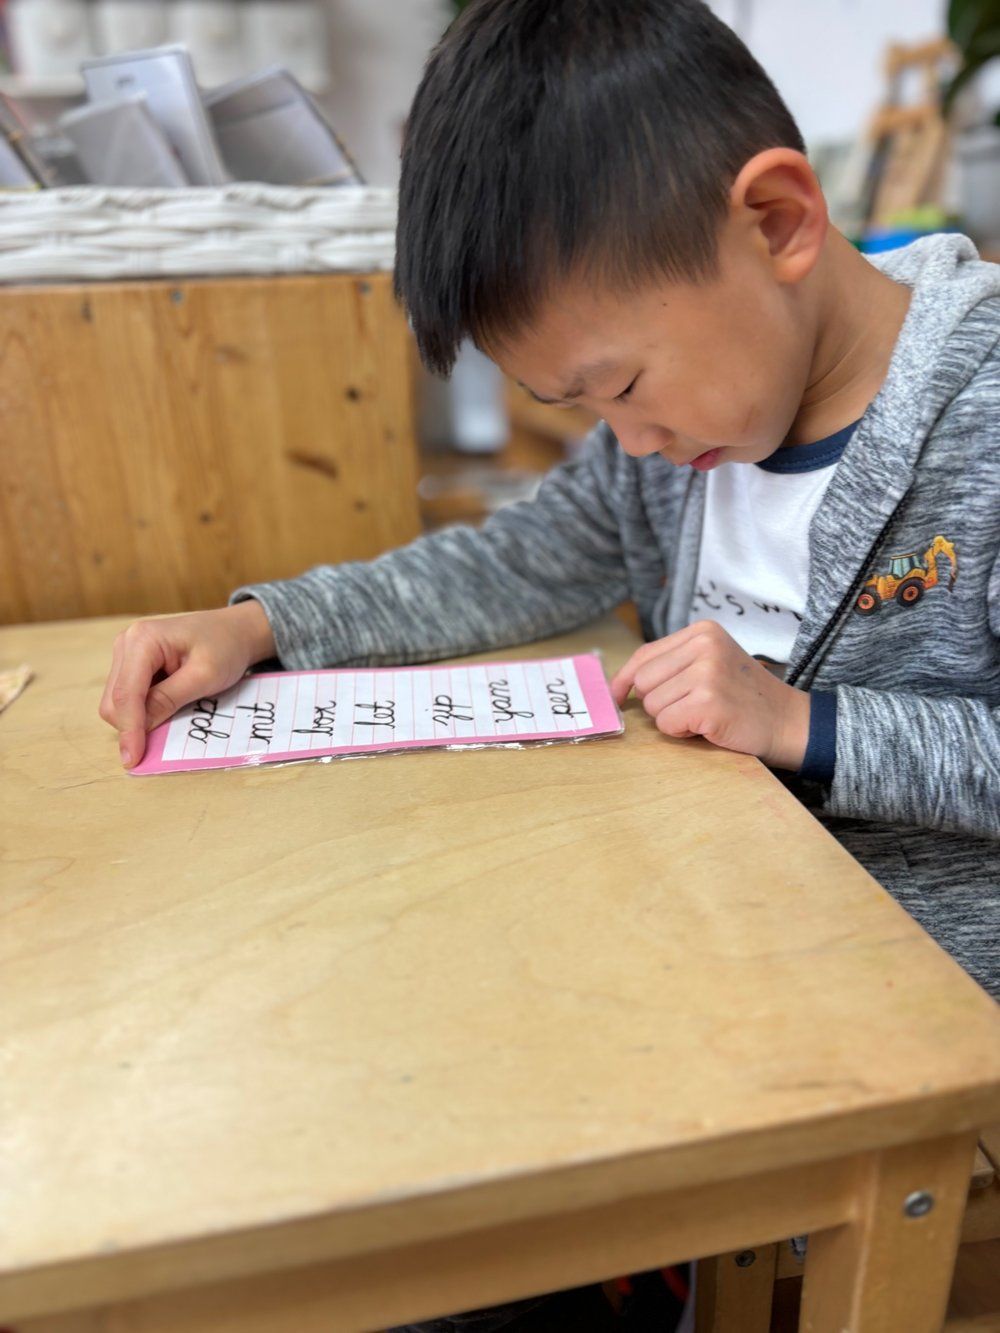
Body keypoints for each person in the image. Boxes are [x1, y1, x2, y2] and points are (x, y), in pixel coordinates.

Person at [100, 2, 999, 1320]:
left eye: (623, 385)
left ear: (778, 223)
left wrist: (808, 724)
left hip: (909, 1026)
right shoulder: (689, 439)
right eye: (584, 409)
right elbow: (505, 564)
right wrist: (265, 624)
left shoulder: (978, 423)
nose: (626, 441)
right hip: (715, 941)